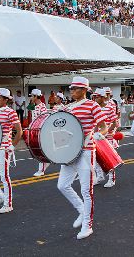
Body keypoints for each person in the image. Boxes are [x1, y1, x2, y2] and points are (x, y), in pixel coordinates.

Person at [57, 76, 107, 240]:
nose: (71, 91)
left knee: (86, 190)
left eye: (75, 88)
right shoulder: (69, 107)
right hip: (70, 152)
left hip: (86, 151)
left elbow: (104, 127)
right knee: (62, 185)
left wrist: (100, 134)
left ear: (85, 90)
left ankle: (88, 225)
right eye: (71, 88)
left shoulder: (93, 105)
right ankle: (81, 209)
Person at [93, 88, 118, 188]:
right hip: (96, 137)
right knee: (96, 158)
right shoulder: (95, 108)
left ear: (103, 97)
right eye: (94, 96)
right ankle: (99, 176)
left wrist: (107, 132)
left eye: (97, 97)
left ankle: (112, 179)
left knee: (108, 159)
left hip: (106, 137)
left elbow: (114, 123)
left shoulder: (109, 108)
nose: (95, 98)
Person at [31, 89, 50, 177]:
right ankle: (46, 162)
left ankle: (41, 170)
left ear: (36, 96)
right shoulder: (34, 106)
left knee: (40, 151)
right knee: (39, 150)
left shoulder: (42, 107)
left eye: (32, 96)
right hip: (35, 130)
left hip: (40, 131)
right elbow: (32, 116)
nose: (31, 97)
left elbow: (44, 120)